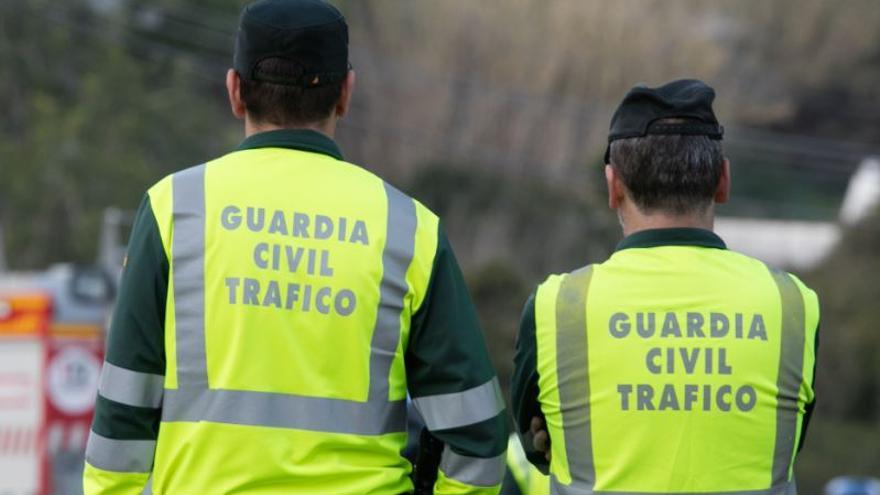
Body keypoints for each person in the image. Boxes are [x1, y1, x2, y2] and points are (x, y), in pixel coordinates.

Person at [83, 1, 508, 493]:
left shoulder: (173, 209)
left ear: (235, 91)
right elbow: (477, 436)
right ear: (346, 93)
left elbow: (122, 420)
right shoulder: (409, 228)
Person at [511, 79, 819, 494]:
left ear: (613, 185)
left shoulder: (558, 305)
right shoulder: (792, 303)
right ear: (723, 181)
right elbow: (786, 441)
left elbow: (537, 444)